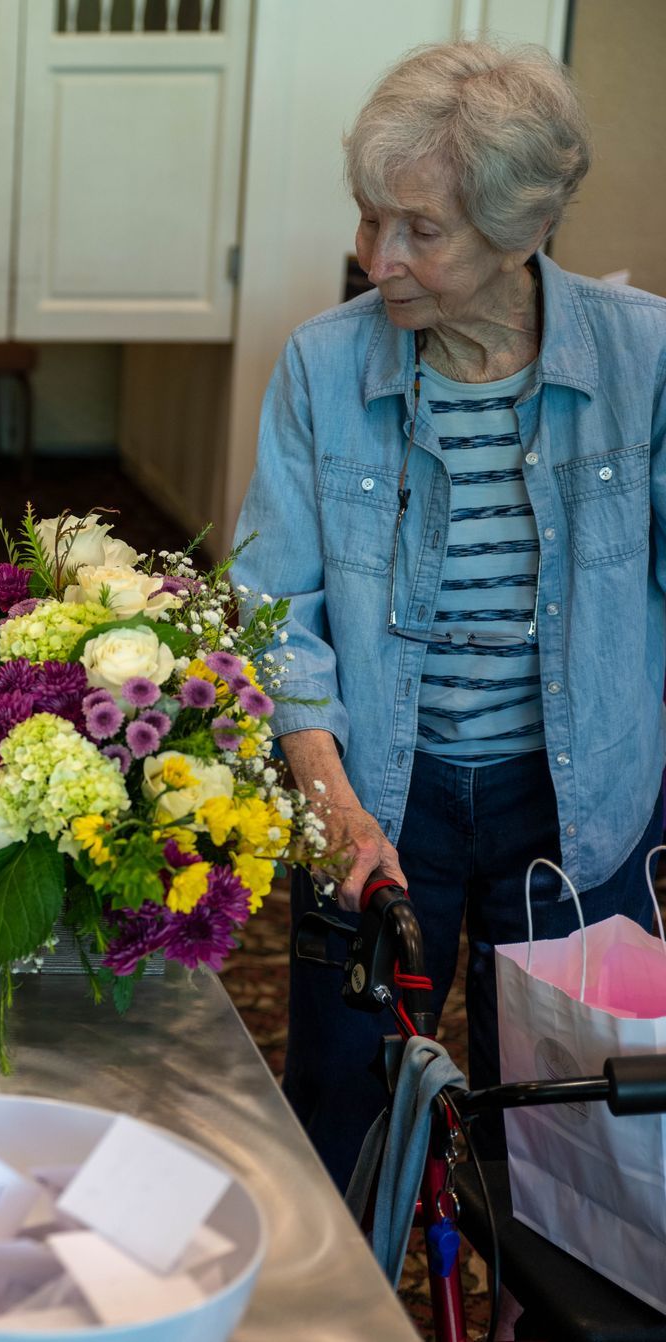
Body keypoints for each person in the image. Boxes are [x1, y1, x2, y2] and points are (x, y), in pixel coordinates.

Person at [231, 40, 666, 1189]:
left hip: (583, 808)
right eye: (371, 219)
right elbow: (276, 608)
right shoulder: (323, 369)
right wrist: (329, 801)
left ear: (520, 228)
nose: (379, 259)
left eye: (421, 230)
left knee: (573, 1143)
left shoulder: (645, 360)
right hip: (376, 786)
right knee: (346, 1119)